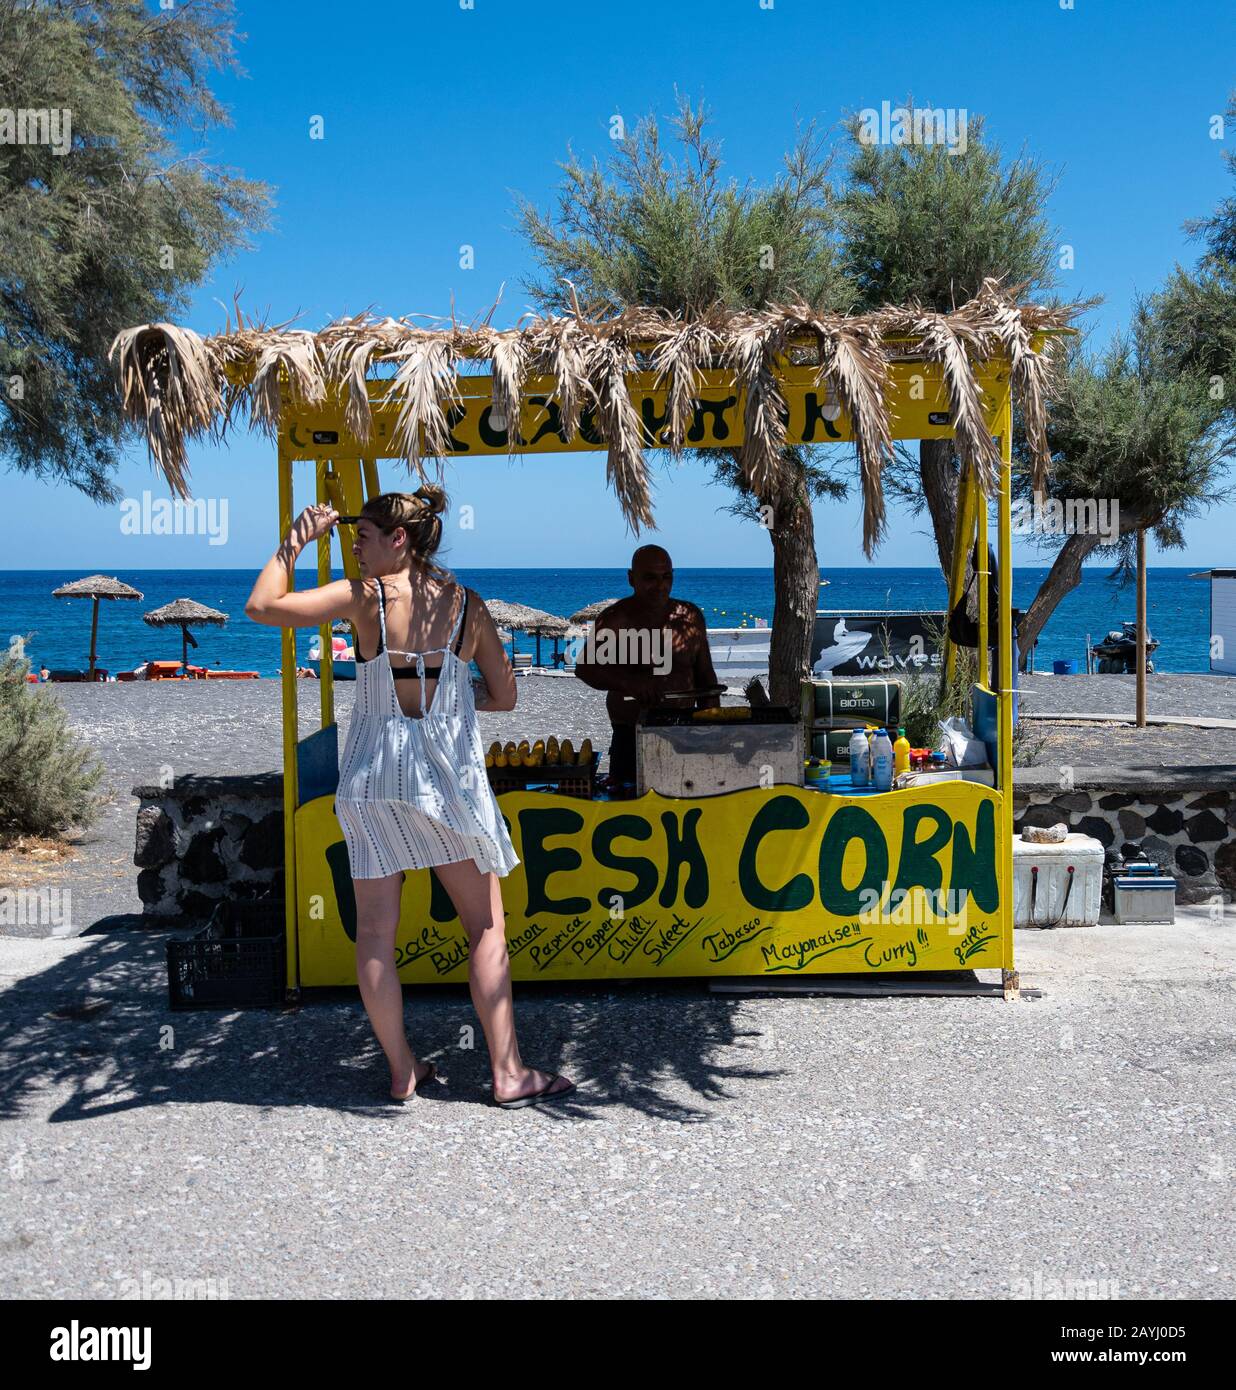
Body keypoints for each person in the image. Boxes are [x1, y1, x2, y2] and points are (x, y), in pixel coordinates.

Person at [244, 487, 575, 1109]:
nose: (356, 548)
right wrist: (450, 698)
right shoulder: (467, 607)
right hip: (446, 783)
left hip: (372, 779)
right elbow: (504, 697)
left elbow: (263, 605)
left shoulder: (364, 597)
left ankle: (402, 1070)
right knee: (484, 926)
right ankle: (507, 1073)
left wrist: (296, 539)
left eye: (364, 536)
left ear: (399, 539)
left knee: (374, 931)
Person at [574, 544, 721, 787]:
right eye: (650, 578)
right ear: (631, 579)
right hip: (630, 736)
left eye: (666, 577)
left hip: (685, 732)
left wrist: (713, 731)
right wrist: (629, 683)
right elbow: (585, 668)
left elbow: (706, 676)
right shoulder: (615, 619)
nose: (660, 586)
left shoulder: (690, 616)